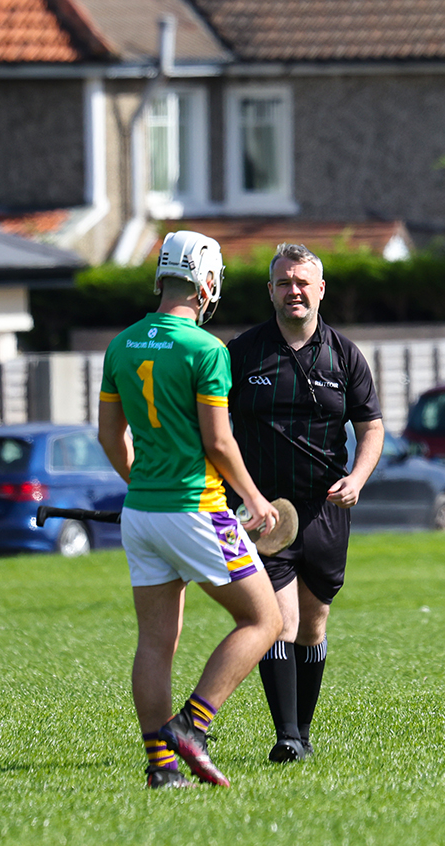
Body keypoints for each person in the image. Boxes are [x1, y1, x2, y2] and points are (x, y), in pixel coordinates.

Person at [98, 230, 282, 790]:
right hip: (198, 509)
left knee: (155, 643)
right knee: (265, 619)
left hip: (142, 514)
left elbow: (109, 437)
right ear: (207, 283)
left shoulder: (122, 344)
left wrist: (144, 486)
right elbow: (220, 443)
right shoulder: (207, 350)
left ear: (161, 277)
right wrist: (253, 499)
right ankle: (192, 728)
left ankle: (162, 769)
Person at [227, 242, 385, 762]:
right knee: (281, 621)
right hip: (265, 514)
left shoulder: (344, 355)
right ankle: (286, 736)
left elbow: (371, 427)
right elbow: (212, 429)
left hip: (326, 511)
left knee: (314, 624)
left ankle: (304, 733)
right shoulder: (241, 353)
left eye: (302, 282)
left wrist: (358, 478)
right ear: (269, 290)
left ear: (319, 290)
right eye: (283, 282)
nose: (293, 290)